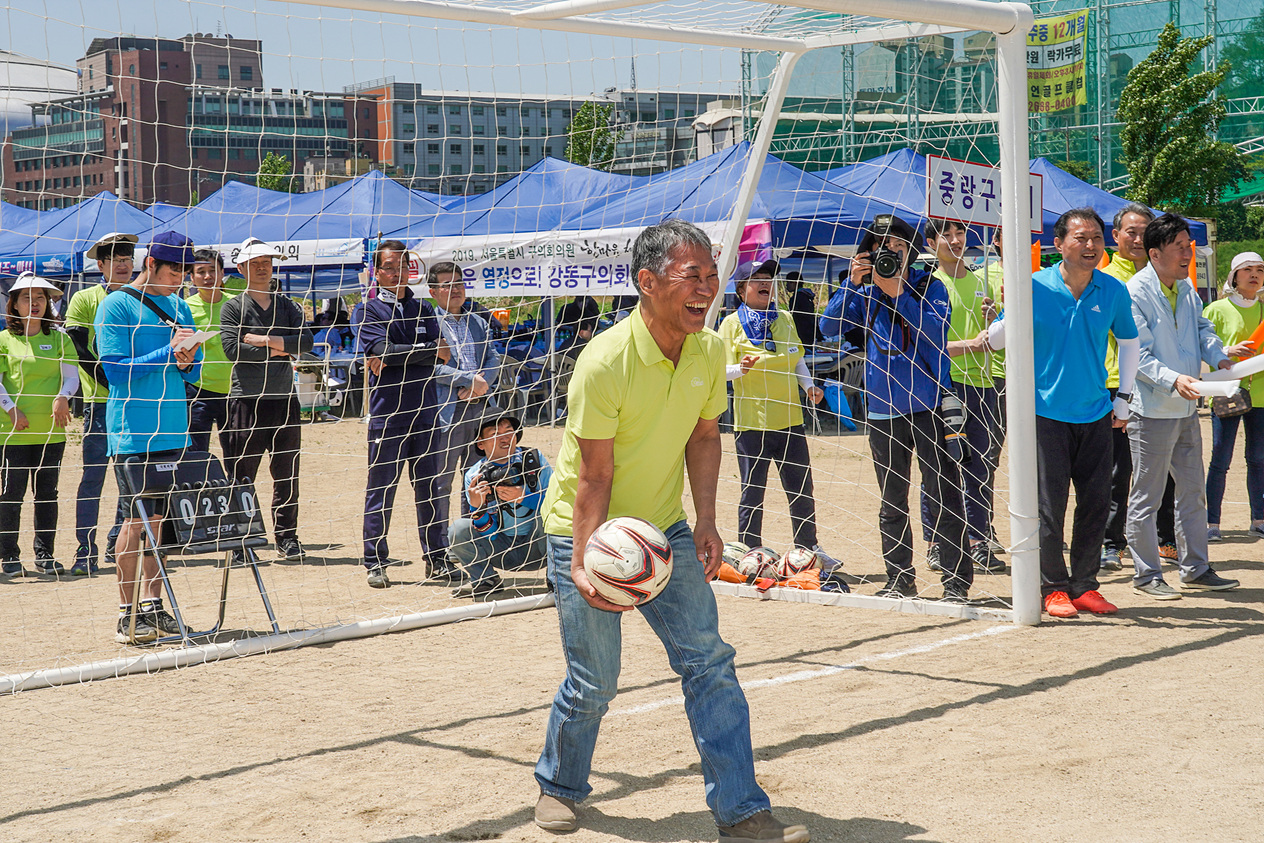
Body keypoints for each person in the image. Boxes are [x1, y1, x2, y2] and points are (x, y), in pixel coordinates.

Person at [532, 220, 808, 841]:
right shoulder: (603, 361)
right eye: (693, 276)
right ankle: (559, 784)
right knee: (595, 679)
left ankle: (742, 811)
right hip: (590, 531)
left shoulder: (710, 350)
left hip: (664, 530)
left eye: (713, 275)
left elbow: (705, 436)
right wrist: (581, 562)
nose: (707, 287)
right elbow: (594, 478)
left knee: (709, 661)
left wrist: (707, 521)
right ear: (647, 281)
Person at [983, 208, 1138, 618]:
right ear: (1059, 244)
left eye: (1095, 238)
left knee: (1095, 501)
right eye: (1081, 238)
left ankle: (1085, 584)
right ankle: (1052, 587)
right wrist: (1009, 302)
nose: (1090, 246)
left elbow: (1129, 342)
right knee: (1049, 504)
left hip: (1095, 412)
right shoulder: (1033, 285)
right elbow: (997, 340)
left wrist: (1124, 397)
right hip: (1044, 412)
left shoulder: (1112, 290)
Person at [818, 214, 972, 603]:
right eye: (880, 248)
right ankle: (900, 578)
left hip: (929, 405)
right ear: (868, 254)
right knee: (892, 497)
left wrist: (898, 291)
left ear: (911, 251)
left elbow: (933, 331)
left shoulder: (928, 285)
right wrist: (853, 284)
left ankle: (956, 583)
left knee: (944, 494)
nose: (889, 253)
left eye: (898, 247)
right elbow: (828, 327)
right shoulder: (865, 292)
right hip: (884, 410)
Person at [94, 232, 203, 643]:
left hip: (174, 427)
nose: (180, 279)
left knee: (159, 522)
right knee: (133, 521)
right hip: (133, 432)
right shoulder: (115, 304)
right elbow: (114, 372)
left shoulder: (179, 307)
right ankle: (127, 614)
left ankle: (155, 608)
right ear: (150, 264)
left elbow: (193, 370)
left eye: (185, 271)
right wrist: (167, 353)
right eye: (174, 269)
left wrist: (189, 359)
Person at [1124, 213, 1240, 600]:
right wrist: (1174, 379)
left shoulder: (1187, 288)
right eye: (1179, 247)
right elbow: (1136, 354)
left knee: (1192, 492)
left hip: (1188, 410)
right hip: (1153, 410)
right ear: (1154, 253)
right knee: (1147, 496)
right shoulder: (1134, 291)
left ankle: (1196, 568)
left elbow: (1204, 330)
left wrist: (1220, 356)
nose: (1187, 253)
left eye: (1188, 246)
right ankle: (1146, 575)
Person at [718, 259, 842, 574]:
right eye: (756, 279)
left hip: (790, 420)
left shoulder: (784, 317)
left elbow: (796, 359)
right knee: (753, 491)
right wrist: (739, 369)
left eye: (768, 278)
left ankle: (809, 550)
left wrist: (811, 386)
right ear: (741, 289)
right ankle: (748, 552)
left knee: (802, 489)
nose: (765, 283)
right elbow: (717, 372)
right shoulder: (731, 324)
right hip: (752, 424)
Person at [358, 240, 448, 589]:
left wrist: (399, 355)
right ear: (376, 272)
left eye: (401, 267)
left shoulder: (424, 309)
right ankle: (374, 561)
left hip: (426, 414)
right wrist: (422, 351)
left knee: (429, 490)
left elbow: (443, 354)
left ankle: (437, 559)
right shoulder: (367, 311)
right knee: (381, 490)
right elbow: (383, 351)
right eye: (388, 267)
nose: (395, 273)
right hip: (388, 416)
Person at [220, 237, 313, 562]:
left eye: (267, 262)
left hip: (284, 400)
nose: (262, 268)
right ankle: (240, 542)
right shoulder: (233, 306)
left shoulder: (286, 304)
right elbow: (233, 350)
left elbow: (306, 342)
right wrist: (281, 347)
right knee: (242, 473)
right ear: (242, 267)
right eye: (255, 263)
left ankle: (287, 538)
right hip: (246, 401)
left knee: (287, 474)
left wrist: (265, 340)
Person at [921, 218, 1005, 574]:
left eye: (960, 233)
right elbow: (924, 342)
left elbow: (999, 335)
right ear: (930, 243)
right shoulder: (927, 285)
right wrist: (967, 345)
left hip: (991, 383)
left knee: (984, 465)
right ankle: (937, 543)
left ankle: (979, 535)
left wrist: (995, 319)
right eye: (946, 234)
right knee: (942, 466)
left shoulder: (983, 279)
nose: (955, 240)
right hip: (948, 385)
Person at [1099, 203, 1178, 570]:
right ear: (1115, 236)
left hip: (1160, 385)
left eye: (1143, 231)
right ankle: (1111, 542)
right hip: (1116, 386)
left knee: (1164, 469)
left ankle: (1165, 539)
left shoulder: (1164, 277)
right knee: (1118, 471)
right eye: (1129, 231)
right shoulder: (1103, 277)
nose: (1136, 238)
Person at [64, 231, 136, 576]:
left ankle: (115, 540)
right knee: (93, 478)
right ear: (101, 265)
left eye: (127, 260)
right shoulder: (83, 299)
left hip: (138, 403)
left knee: (132, 478)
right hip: (99, 402)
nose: (123, 266)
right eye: (115, 261)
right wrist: (114, 382)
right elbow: (80, 349)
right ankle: (84, 549)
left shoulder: (142, 297)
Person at [0, 273, 78, 577]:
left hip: (51, 431)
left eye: (41, 298)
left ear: (48, 303)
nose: (34, 304)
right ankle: (8, 557)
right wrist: (11, 408)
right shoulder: (4, 339)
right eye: (26, 298)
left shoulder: (60, 338)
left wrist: (63, 396)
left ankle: (45, 555)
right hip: (12, 433)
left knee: (48, 493)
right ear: (15, 305)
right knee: (11, 495)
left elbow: (71, 376)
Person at [428, 261, 501, 557]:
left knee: (477, 479)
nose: (455, 289)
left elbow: (495, 356)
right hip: (448, 412)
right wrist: (467, 380)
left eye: (459, 283)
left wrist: (481, 384)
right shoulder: (428, 323)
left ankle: (470, 542)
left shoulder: (478, 321)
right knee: (441, 481)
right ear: (433, 291)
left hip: (482, 410)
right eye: (447, 284)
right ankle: (441, 547)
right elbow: (428, 367)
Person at [449, 414, 552, 599]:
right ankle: (485, 580)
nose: (504, 438)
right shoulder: (475, 476)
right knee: (458, 529)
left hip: (539, 545)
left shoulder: (534, 460)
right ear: (480, 443)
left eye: (509, 432)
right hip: (501, 549)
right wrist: (477, 509)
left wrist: (524, 497)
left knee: (551, 515)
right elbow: (492, 534)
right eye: (495, 433)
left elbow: (558, 505)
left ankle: (557, 576)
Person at [1204, 252, 1264, 540]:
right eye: (1247, 269)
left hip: (1262, 395)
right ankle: (1211, 523)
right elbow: (1200, 345)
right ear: (1234, 276)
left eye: (1260, 270)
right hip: (1227, 391)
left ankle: (1259, 520)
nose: (1254, 275)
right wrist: (1228, 351)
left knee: (1259, 460)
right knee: (1220, 459)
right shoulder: (1216, 309)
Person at [185, 249, 235, 459]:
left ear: (222, 272)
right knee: (196, 456)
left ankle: (237, 491)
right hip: (197, 391)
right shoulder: (184, 307)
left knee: (236, 455)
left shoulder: (236, 304)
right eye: (201, 271)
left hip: (235, 390)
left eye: (212, 270)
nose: (207, 276)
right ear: (191, 277)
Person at [782, 270, 819, 353]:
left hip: (802, 333)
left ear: (795, 283)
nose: (787, 285)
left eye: (789, 282)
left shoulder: (797, 297)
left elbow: (794, 317)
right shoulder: (807, 295)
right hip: (810, 332)